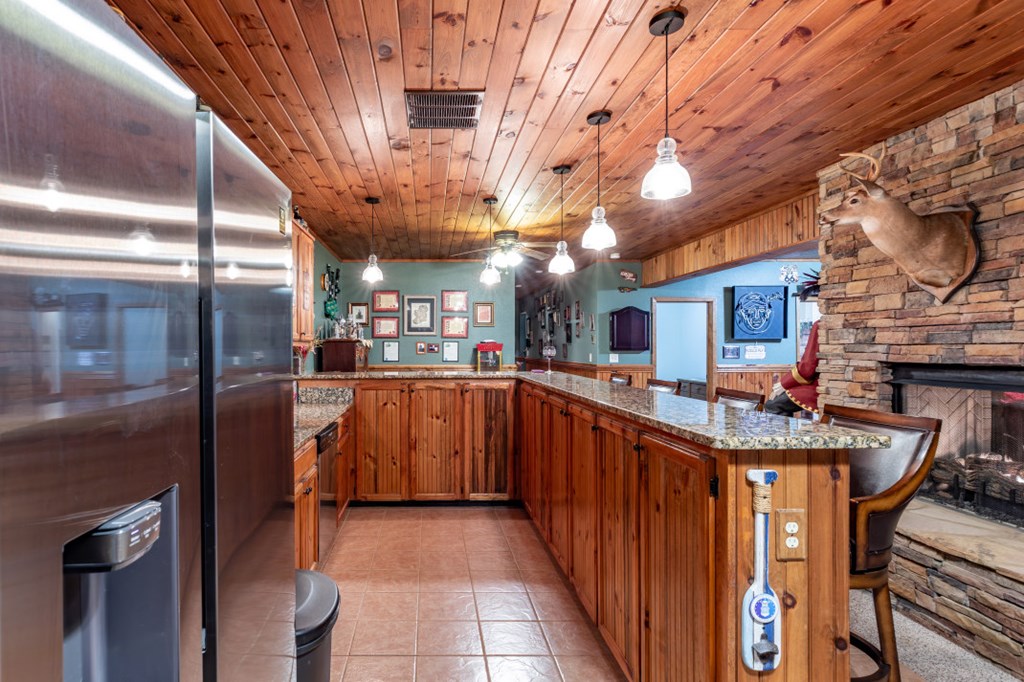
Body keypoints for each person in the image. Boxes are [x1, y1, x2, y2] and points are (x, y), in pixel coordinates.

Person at [766, 272, 820, 416]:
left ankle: (784, 439)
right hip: (834, 384)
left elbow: (807, 368)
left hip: (822, 386)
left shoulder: (820, 325)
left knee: (773, 404)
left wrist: (784, 383)